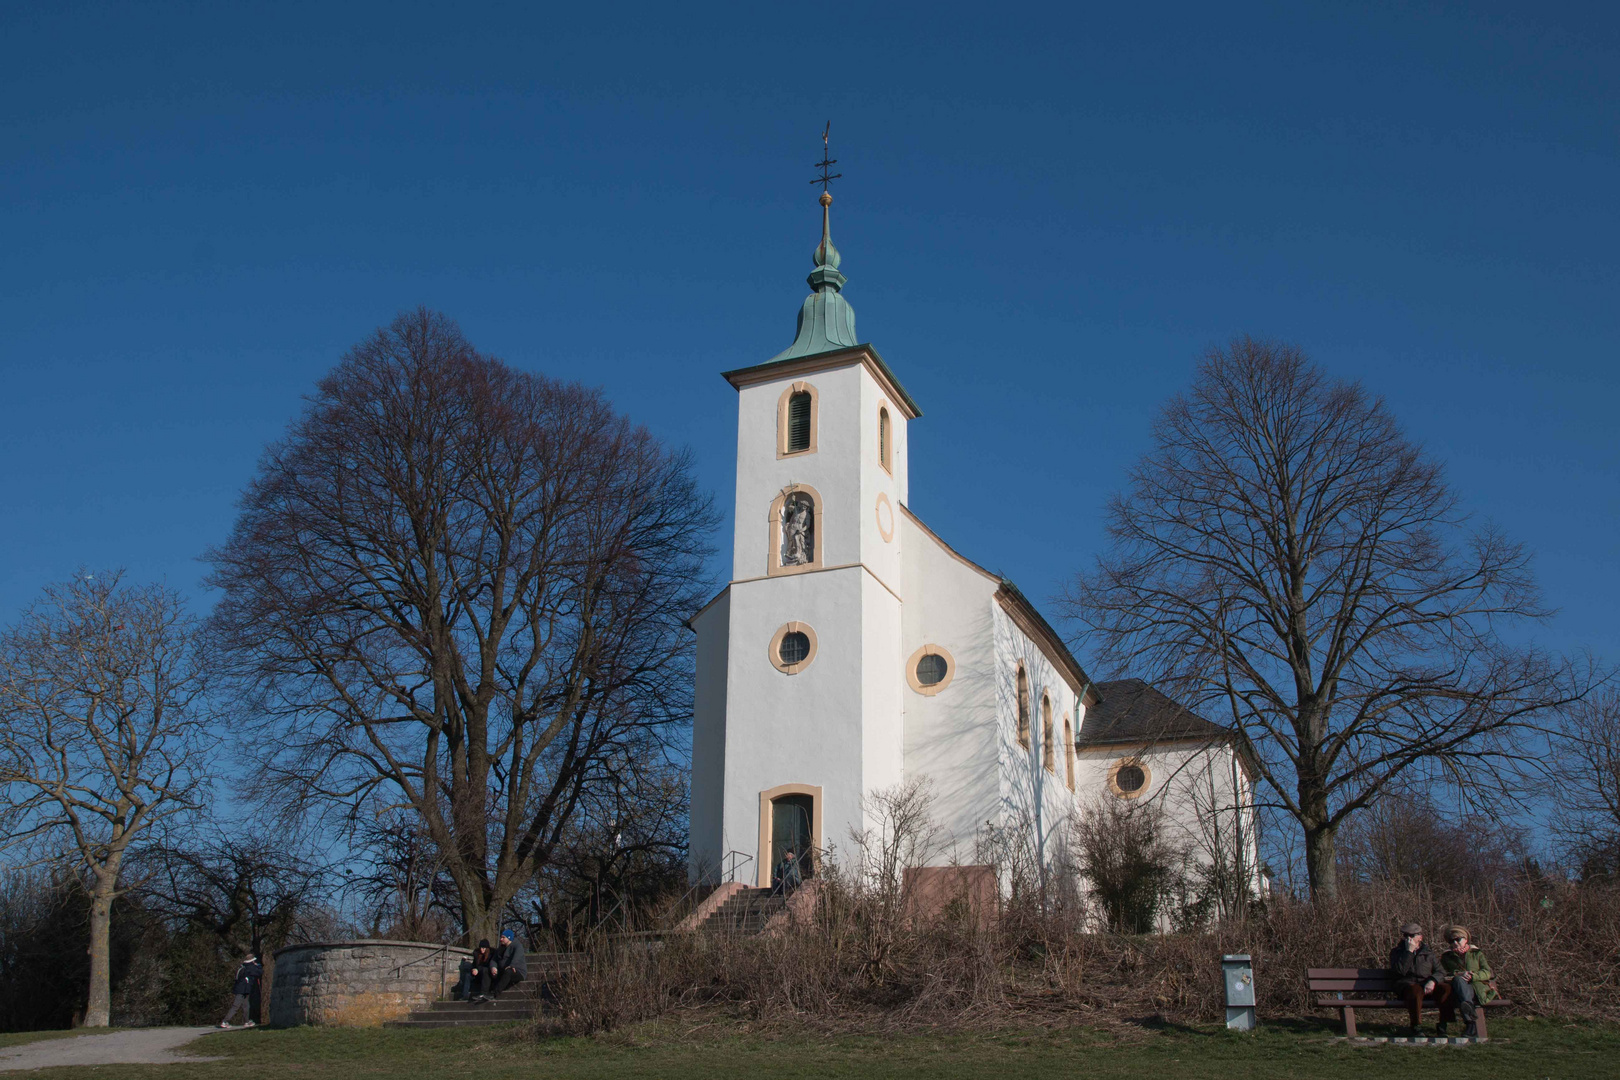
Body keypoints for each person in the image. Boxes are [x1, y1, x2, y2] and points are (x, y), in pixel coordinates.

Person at [1388, 921, 1452, 1035]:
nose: (1408, 939)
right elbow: (1399, 971)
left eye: (1412, 936)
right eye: (1405, 936)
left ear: (1420, 937)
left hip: (1427, 984)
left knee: (1445, 988)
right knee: (1415, 990)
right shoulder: (1397, 952)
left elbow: (1441, 971)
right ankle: (1416, 1025)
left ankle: (1443, 1025)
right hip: (1407, 985)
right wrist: (1409, 952)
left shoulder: (1428, 953)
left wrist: (1433, 981)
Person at [1439, 925, 1497, 1038]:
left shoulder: (1477, 953)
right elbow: (1442, 974)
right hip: (1458, 988)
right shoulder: (1446, 957)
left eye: (1458, 939)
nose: (1455, 943)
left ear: (1465, 939)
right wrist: (1457, 974)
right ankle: (1470, 1024)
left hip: (1477, 988)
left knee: (1463, 998)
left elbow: (1487, 972)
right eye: (1452, 941)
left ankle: (1470, 1023)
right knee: (1459, 981)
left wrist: (1473, 976)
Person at [218, 952, 263, 1029]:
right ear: (252, 961)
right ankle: (225, 1021)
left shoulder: (243, 966)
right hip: (243, 989)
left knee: (246, 1005)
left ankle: (247, 1021)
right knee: (236, 1006)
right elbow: (260, 972)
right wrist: (258, 966)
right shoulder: (251, 967)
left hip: (243, 989)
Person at [487, 929, 526, 1002]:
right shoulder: (501, 948)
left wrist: (512, 965)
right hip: (503, 970)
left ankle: (495, 993)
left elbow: (517, 957)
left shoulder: (517, 946)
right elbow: (494, 960)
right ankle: (484, 992)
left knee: (508, 972)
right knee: (487, 971)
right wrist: (493, 967)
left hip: (517, 971)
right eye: (501, 937)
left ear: (509, 938)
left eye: (503, 937)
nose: (501, 939)